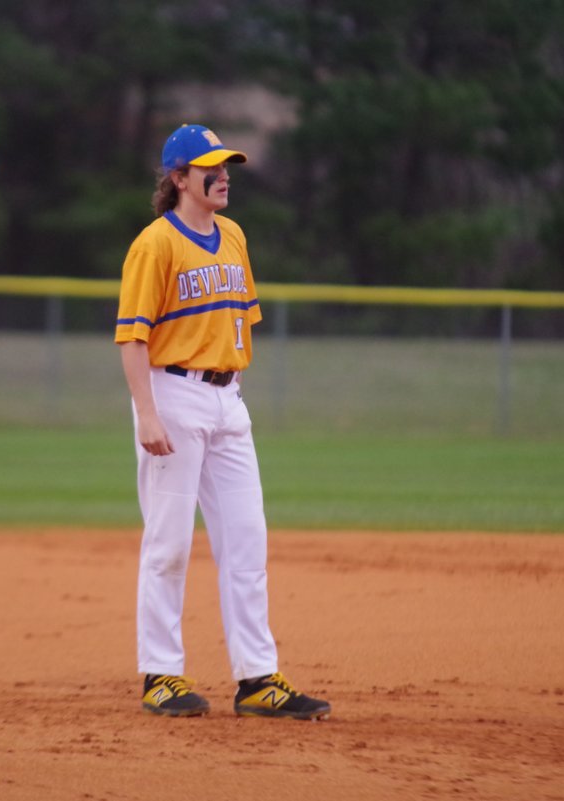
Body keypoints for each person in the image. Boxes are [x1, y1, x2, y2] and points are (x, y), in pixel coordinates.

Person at [114, 124, 331, 720]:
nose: (224, 175)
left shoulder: (233, 235)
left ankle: (257, 678)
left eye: (226, 164)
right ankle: (161, 675)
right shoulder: (155, 245)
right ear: (179, 178)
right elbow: (132, 338)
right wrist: (147, 413)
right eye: (210, 166)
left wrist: (229, 391)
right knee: (169, 544)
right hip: (172, 395)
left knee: (246, 542)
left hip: (227, 398)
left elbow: (236, 320)